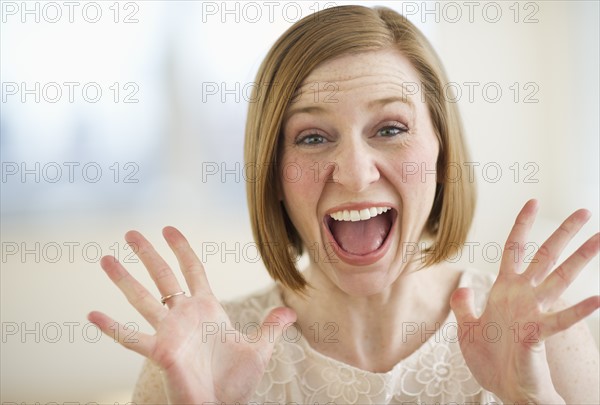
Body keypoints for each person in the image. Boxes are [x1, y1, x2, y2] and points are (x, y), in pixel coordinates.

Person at [88, 5, 600, 404]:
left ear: (443, 152)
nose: (355, 173)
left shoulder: (540, 334)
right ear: (274, 174)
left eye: (391, 129)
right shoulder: (196, 355)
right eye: (312, 137)